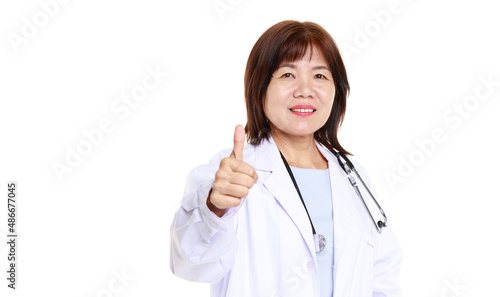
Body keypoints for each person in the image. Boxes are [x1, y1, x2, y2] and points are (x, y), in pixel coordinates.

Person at [170, 20, 403, 297]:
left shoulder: (354, 177)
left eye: (319, 76)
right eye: (287, 75)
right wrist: (214, 208)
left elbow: (381, 274)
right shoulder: (233, 172)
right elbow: (190, 264)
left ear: (336, 90)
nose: (305, 90)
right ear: (260, 88)